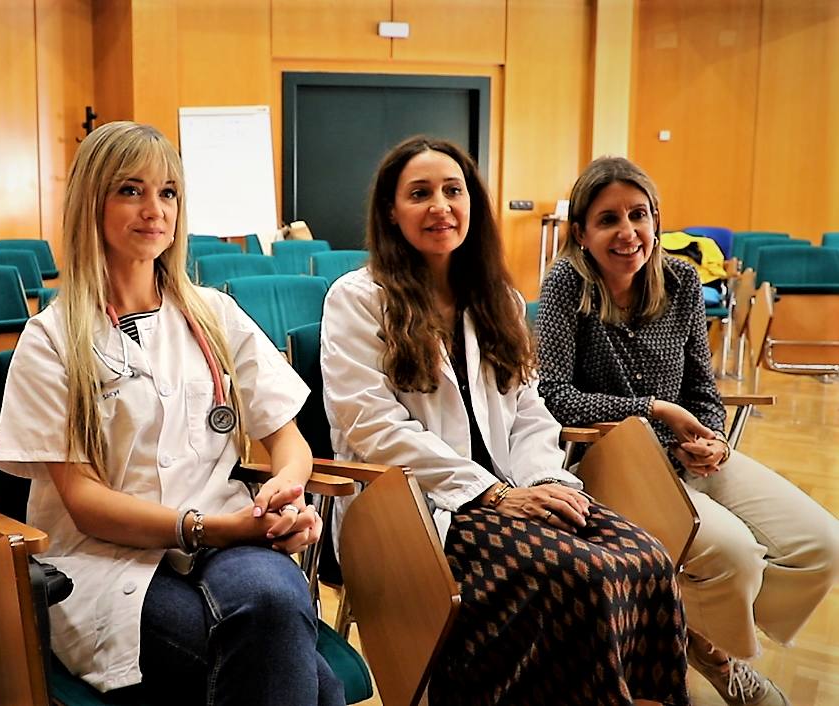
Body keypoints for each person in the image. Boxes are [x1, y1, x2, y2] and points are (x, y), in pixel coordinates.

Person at [320, 136, 690, 705]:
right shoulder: (357, 299)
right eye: (420, 194)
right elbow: (372, 429)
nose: (440, 206)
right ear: (391, 213)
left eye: (453, 191)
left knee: (648, 559)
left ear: (473, 204)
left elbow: (530, 411)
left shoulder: (498, 299)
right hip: (413, 509)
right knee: (582, 578)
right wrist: (489, 493)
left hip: (514, 492)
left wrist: (543, 481)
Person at [0, 121, 343, 705]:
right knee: (301, 672)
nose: (154, 209)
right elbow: (83, 503)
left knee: (273, 602)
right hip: (107, 560)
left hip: (229, 541)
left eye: (168, 192)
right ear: (91, 204)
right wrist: (212, 527)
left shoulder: (214, 314)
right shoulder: (52, 338)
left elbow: (289, 438)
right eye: (131, 190)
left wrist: (287, 488)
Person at [536, 156, 839, 706]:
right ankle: (722, 660)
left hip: (687, 453)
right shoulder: (564, 285)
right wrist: (656, 410)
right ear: (580, 232)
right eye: (608, 220)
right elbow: (553, 395)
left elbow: (704, 385)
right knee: (737, 558)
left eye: (639, 215)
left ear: (656, 219)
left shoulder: (679, 278)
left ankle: (692, 625)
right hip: (607, 461)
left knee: (823, 545)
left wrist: (715, 437)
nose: (628, 233)